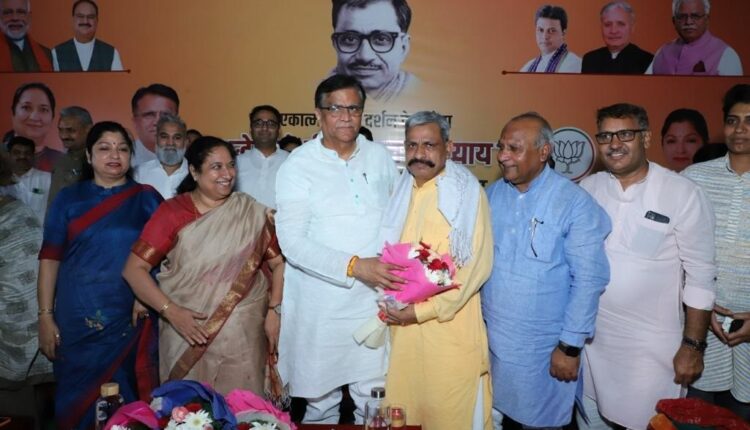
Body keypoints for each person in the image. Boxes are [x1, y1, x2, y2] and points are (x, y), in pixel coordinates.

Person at [578, 103, 716, 429]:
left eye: (625, 134)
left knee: (647, 421)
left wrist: (693, 346)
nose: (614, 144)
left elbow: (701, 275)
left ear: (646, 138)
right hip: (593, 344)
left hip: (651, 351)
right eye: (606, 136)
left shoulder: (682, 193)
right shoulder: (588, 189)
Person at [275, 74, 399, 424]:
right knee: (320, 403)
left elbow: (396, 219)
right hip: (321, 306)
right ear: (318, 114)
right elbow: (292, 243)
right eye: (336, 109)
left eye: (354, 109)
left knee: (375, 397)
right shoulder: (298, 165)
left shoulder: (379, 157)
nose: (346, 117)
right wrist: (356, 266)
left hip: (372, 302)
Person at [123, 136, 285, 398]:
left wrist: (274, 311)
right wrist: (172, 312)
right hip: (185, 330)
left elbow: (279, 264)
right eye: (216, 167)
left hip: (243, 336)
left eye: (230, 165)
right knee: (189, 410)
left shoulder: (250, 212)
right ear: (194, 171)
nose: (227, 174)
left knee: (242, 409)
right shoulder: (172, 213)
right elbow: (133, 270)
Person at [482, 112, 610, 428]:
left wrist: (569, 346)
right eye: (501, 147)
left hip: (542, 351)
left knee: (541, 421)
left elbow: (589, 279)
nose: (503, 156)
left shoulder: (574, 202)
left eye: (514, 148)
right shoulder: (492, 195)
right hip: (491, 344)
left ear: (544, 152)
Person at [37, 121, 162, 429]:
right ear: (89, 156)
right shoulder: (69, 199)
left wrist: (145, 295)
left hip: (129, 316)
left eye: (122, 149)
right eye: (104, 148)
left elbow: (165, 257)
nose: (114, 156)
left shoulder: (147, 198)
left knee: (129, 397)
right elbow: (50, 259)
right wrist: (45, 316)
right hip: (77, 318)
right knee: (76, 399)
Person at [378, 111, 493, 429]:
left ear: (449, 147)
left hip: (449, 332)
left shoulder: (466, 194)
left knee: (451, 414)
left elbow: (475, 269)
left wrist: (420, 312)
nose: (419, 154)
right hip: (403, 335)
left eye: (429, 145)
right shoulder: (401, 190)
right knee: (405, 413)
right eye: (412, 145)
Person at [683, 84, 750, 420]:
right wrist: (699, 312)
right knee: (695, 417)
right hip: (701, 329)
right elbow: (675, 253)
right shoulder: (693, 179)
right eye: (733, 120)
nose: (740, 129)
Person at [330, 0, 416, 102]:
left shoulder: (422, 93)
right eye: (350, 39)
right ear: (335, 44)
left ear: (403, 47)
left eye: (381, 39)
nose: (365, 56)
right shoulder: (317, 93)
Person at [649, 0, 742, 76]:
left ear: (707, 19)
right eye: (682, 17)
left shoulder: (727, 55)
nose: (688, 22)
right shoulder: (662, 53)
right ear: (674, 21)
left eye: (695, 16)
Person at [236, 105, 288, 209]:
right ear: (251, 129)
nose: (264, 128)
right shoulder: (236, 163)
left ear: (279, 130)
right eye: (258, 123)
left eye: (271, 124)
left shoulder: (291, 161)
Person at [581, 1, 653, 74]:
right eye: (607, 24)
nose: (613, 31)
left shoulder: (647, 61)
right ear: (601, 27)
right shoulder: (590, 59)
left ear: (632, 27)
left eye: (621, 24)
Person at [51, 0, 123, 72]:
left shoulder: (111, 53)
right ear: (73, 20)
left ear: (97, 21)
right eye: (80, 16)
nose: (85, 21)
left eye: (90, 17)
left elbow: (118, 79)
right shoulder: (56, 53)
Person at [10, 82, 63, 173]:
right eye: (26, 107)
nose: (34, 117)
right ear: (13, 113)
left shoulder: (62, 161)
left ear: (52, 117)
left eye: (43, 109)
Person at [134, 113, 189, 199]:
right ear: (156, 140)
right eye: (164, 137)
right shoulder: (139, 173)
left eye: (177, 138)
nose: (170, 143)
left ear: (185, 142)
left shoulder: (196, 174)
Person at [48, 105, 92, 204]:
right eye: (60, 130)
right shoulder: (60, 161)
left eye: (70, 130)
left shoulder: (98, 162)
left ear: (88, 129)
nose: (63, 136)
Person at [130, 83, 180, 168]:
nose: (157, 122)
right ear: (135, 122)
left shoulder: (192, 158)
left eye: (166, 115)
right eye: (149, 115)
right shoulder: (120, 160)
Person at [521, 5, 581, 73]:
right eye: (541, 30)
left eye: (552, 31)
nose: (545, 37)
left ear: (563, 33)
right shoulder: (528, 67)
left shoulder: (574, 64)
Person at [3, 135, 48, 222]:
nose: (22, 156)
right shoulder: (2, 182)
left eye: (27, 153)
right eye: (17, 153)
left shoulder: (48, 179)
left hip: (39, 230)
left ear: (34, 155)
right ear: (8, 155)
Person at [0, 0, 51, 72]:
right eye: (8, 12)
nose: (15, 18)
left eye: (21, 12)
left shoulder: (47, 54)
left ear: (29, 17)